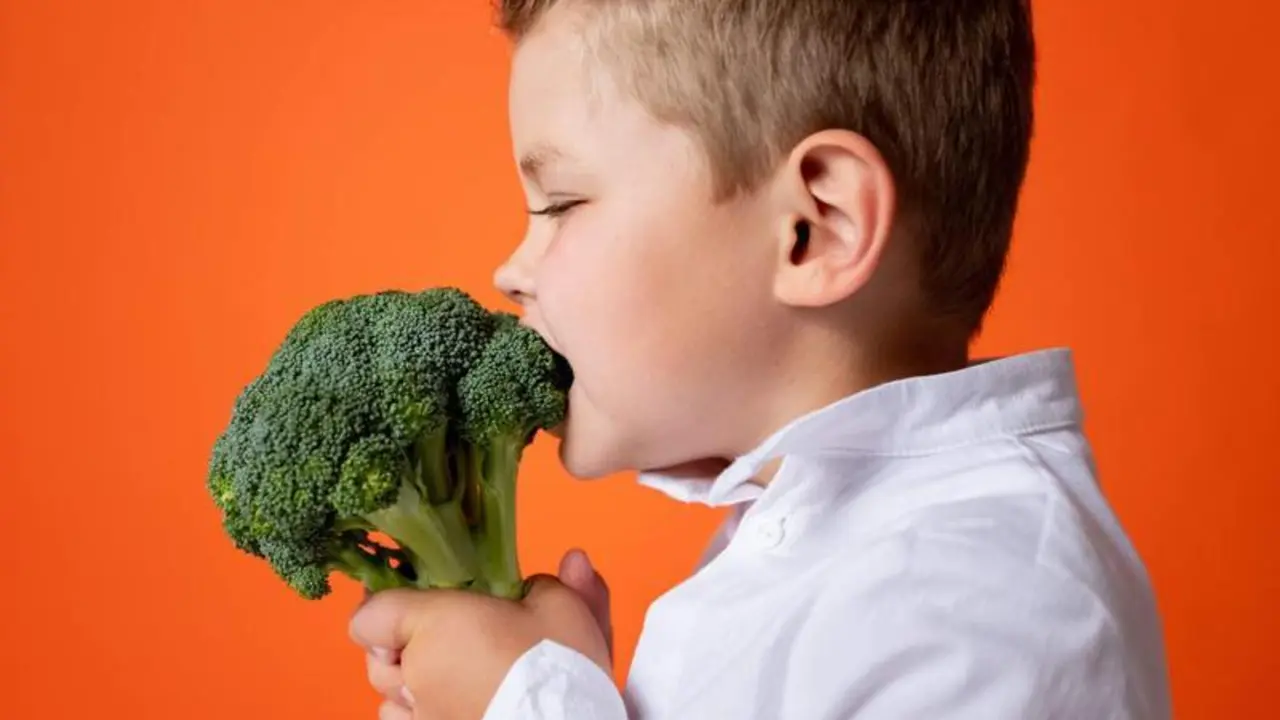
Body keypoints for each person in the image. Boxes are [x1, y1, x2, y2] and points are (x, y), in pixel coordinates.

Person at [347, 0, 1172, 717]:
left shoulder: (987, 616)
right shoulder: (813, 543)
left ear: (816, 226)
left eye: (562, 203)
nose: (510, 272)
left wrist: (529, 705)